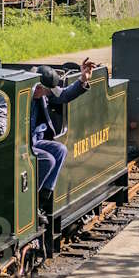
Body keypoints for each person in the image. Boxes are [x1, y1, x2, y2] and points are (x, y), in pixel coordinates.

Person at [31, 59, 95, 215]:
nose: (48, 95)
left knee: (60, 150)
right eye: (46, 91)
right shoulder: (23, 95)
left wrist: (83, 79)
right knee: (48, 160)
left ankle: (42, 199)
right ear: (39, 88)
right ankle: (30, 202)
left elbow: (64, 95)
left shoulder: (44, 93)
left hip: (35, 139)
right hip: (23, 142)